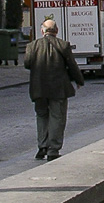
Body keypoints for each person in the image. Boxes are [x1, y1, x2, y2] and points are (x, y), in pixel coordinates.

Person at [24, 19, 84, 161]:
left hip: (38, 88)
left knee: (41, 116)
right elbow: (72, 65)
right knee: (57, 117)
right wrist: (79, 80)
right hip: (58, 88)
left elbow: (27, 64)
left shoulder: (32, 46)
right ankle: (53, 149)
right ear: (56, 31)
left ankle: (42, 145)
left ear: (42, 31)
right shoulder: (63, 45)